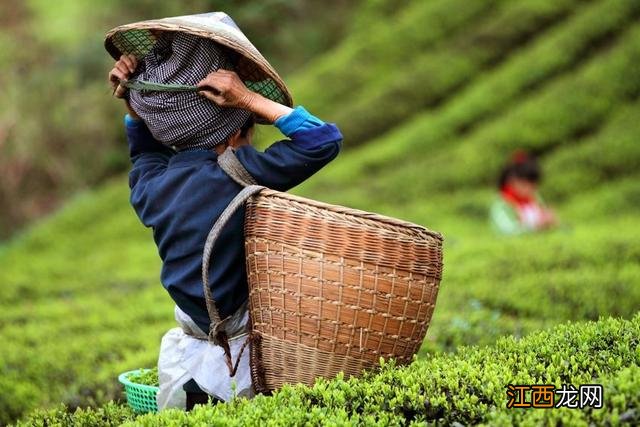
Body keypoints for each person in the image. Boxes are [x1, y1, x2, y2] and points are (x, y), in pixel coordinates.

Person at [106, 13, 342, 410]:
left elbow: (144, 150)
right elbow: (323, 140)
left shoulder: (150, 188)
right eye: (250, 131)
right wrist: (249, 98)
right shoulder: (236, 174)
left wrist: (133, 100)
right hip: (239, 340)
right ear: (234, 134)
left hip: (193, 332)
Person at [490, 151, 557, 235]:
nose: (530, 189)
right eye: (525, 184)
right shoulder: (502, 204)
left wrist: (549, 220)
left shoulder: (534, 198)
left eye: (533, 185)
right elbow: (506, 231)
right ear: (512, 180)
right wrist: (535, 226)